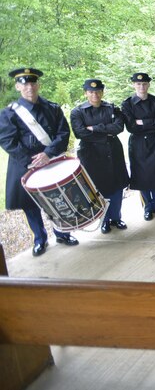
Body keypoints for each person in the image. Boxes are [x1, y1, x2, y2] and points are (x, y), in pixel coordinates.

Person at [0, 68, 78, 256]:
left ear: (38, 85)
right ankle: (40, 239)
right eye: (25, 84)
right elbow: (7, 141)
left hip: (51, 160)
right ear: (18, 87)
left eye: (33, 83)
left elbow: (63, 133)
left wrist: (48, 154)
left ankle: (62, 233)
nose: (29, 87)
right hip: (25, 163)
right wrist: (31, 160)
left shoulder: (52, 108)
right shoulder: (8, 113)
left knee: (57, 198)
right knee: (30, 204)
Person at [71, 79, 129, 234]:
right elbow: (80, 133)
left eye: (97, 91)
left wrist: (94, 128)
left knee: (117, 186)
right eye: (91, 92)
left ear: (102, 92)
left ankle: (116, 217)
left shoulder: (111, 108)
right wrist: (106, 133)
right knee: (99, 188)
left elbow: (118, 127)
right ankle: (105, 220)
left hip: (112, 152)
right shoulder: (77, 112)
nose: (94, 94)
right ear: (85, 93)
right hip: (91, 154)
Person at [121, 73, 155, 221]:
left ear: (148, 85)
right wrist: (152, 121)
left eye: (144, 84)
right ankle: (148, 207)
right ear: (134, 85)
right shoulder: (127, 104)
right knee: (142, 176)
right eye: (138, 84)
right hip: (138, 143)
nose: (142, 87)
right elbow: (131, 126)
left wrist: (142, 122)